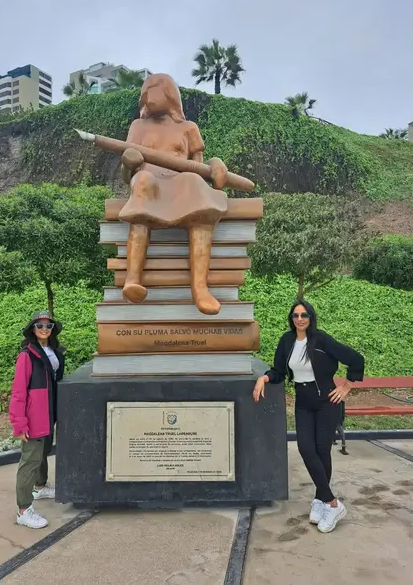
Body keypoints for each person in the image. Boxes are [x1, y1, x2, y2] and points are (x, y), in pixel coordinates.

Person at [117, 73, 228, 315]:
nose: (150, 95)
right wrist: (128, 163)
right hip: (149, 185)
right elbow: (128, 176)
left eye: (156, 89)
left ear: (170, 95)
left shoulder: (188, 128)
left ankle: (200, 288)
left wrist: (216, 164)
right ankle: (132, 279)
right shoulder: (138, 126)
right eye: (147, 91)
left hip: (181, 184)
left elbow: (199, 168)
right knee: (142, 182)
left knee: (195, 187)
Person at [252, 300, 364, 533]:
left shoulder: (321, 340)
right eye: (295, 315)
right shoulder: (287, 340)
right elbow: (279, 371)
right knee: (305, 448)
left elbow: (355, 359)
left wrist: (346, 386)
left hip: (327, 402)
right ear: (291, 319)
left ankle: (325, 501)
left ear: (311, 317)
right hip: (303, 402)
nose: (300, 319)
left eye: (304, 315)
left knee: (322, 451)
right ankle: (329, 501)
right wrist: (264, 378)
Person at [9, 310, 65, 529]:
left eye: (48, 326)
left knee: (42, 452)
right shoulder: (27, 355)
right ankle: (23, 511)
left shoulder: (53, 351)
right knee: (30, 461)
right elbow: (19, 391)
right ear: (33, 329)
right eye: (39, 326)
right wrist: (19, 422)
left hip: (48, 413)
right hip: (34, 416)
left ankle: (40, 488)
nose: (44, 329)